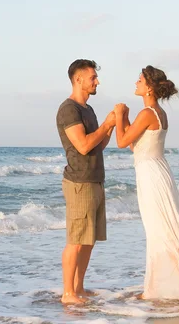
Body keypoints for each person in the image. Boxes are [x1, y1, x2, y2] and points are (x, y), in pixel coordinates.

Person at [113, 65, 179, 300]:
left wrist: (120, 116)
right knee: (163, 228)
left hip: (151, 175)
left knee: (159, 230)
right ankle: (168, 286)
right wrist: (127, 119)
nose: (136, 83)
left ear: (149, 87)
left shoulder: (148, 113)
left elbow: (121, 142)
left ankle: (176, 288)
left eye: (140, 80)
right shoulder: (157, 113)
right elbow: (136, 146)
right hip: (157, 171)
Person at [56, 59, 116, 305]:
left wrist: (110, 126)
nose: (97, 81)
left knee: (89, 240)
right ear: (78, 79)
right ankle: (67, 293)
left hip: (95, 179)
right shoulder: (69, 109)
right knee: (76, 240)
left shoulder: (88, 110)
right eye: (93, 77)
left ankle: (79, 288)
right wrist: (106, 125)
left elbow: (99, 144)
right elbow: (82, 145)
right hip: (79, 181)